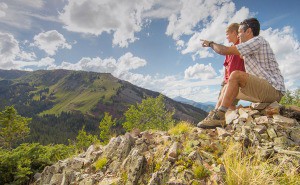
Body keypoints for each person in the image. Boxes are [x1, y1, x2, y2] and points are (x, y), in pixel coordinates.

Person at [198, 18, 285, 129]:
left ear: (248, 31)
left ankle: (219, 115)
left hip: (274, 90)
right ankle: (217, 117)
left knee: (235, 75)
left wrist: (210, 43)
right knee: (226, 87)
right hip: (262, 91)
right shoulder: (249, 49)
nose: (238, 36)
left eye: (239, 32)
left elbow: (223, 50)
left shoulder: (257, 41)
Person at [216, 23, 245, 111]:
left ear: (233, 33)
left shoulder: (241, 45)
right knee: (223, 102)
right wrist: (225, 80)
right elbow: (226, 66)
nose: (226, 36)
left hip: (236, 81)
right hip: (226, 81)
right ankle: (225, 121)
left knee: (230, 103)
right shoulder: (229, 50)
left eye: (227, 34)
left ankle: (220, 119)